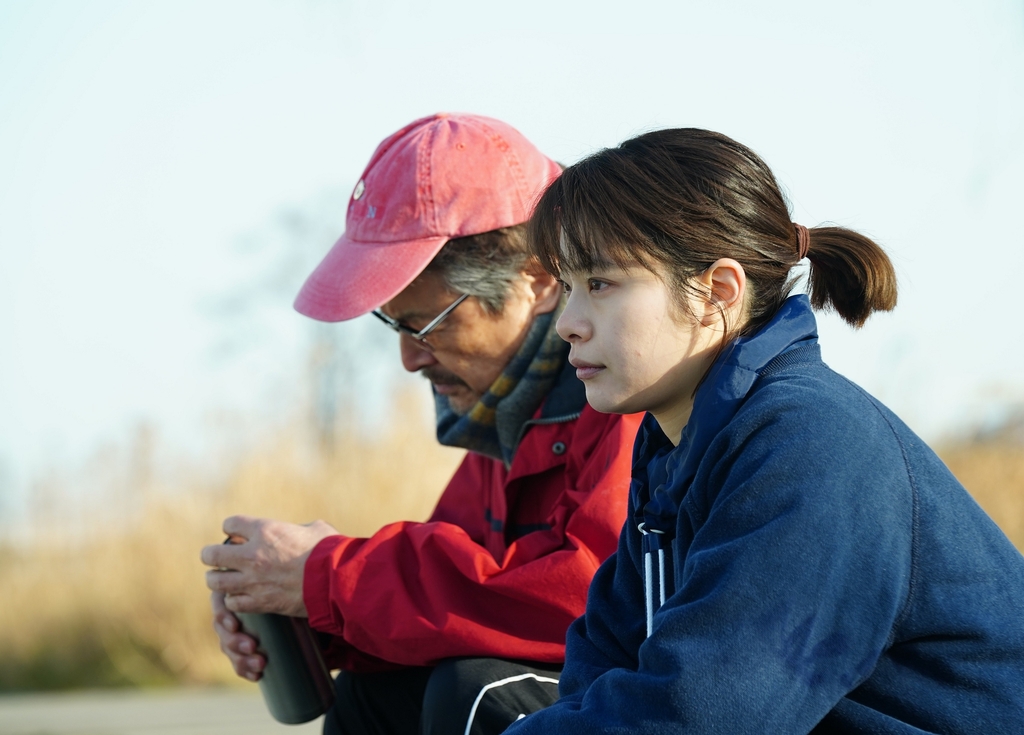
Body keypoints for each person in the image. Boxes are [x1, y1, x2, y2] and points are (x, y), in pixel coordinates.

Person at [503, 128, 1024, 733]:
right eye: (567, 287)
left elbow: (703, 716)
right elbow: (602, 664)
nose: (567, 323)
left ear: (716, 293)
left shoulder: (815, 448)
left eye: (600, 284)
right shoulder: (680, 448)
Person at [199, 113, 643, 735]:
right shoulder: (508, 417)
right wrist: (308, 615)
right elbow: (460, 600)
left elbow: (588, 595)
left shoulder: (630, 397)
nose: (408, 358)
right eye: (393, 326)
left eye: (426, 325)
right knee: (372, 693)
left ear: (537, 279)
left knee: (476, 695)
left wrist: (328, 576)